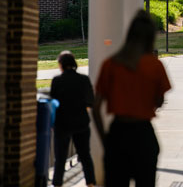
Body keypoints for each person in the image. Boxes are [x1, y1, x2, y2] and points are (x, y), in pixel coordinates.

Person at [93, 10, 172, 187]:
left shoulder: (111, 64)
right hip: (143, 135)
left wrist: (105, 139)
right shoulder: (155, 65)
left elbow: (96, 107)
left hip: (118, 133)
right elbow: (158, 101)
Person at [50, 51, 96, 187]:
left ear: (61, 65)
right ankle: (91, 183)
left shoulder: (57, 81)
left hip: (62, 124)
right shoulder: (84, 80)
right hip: (81, 122)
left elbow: (54, 102)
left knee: (60, 158)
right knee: (85, 155)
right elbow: (91, 102)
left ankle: (57, 183)